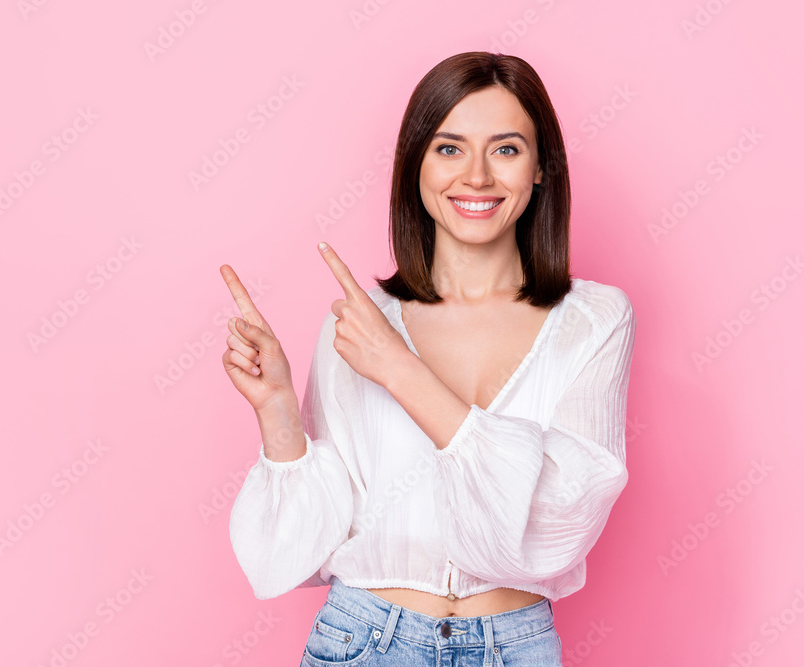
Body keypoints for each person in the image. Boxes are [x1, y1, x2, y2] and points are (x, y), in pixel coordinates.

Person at [219, 51, 636, 666]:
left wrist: (401, 370)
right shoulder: (360, 326)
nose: (476, 177)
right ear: (414, 165)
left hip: (514, 646)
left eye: (506, 149)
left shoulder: (596, 320)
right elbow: (305, 545)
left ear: (541, 167)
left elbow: (561, 514)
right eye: (448, 148)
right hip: (364, 640)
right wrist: (279, 412)